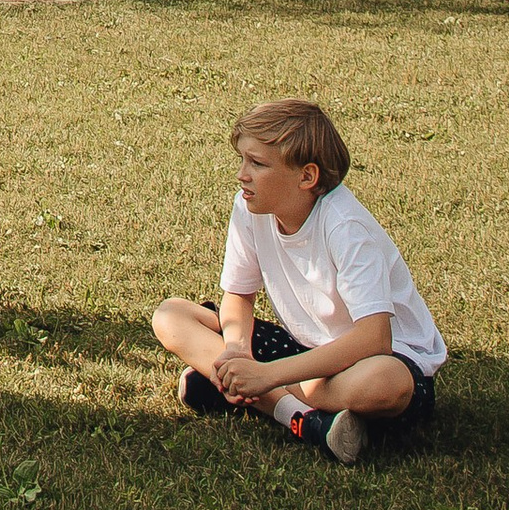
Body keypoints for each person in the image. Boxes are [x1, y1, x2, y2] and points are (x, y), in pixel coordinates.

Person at [153, 96, 447, 462]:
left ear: (307, 176)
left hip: (377, 359)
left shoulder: (346, 227)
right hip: (306, 353)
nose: (242, 174)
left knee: (386, 381)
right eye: (242, 160)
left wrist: (266, 376)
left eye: (257, 163)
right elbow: (238, 295)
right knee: (171, 316)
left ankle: (245, 393)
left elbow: (375, 338)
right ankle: (306, 422)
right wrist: (237, 354)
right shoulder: (250, 206)